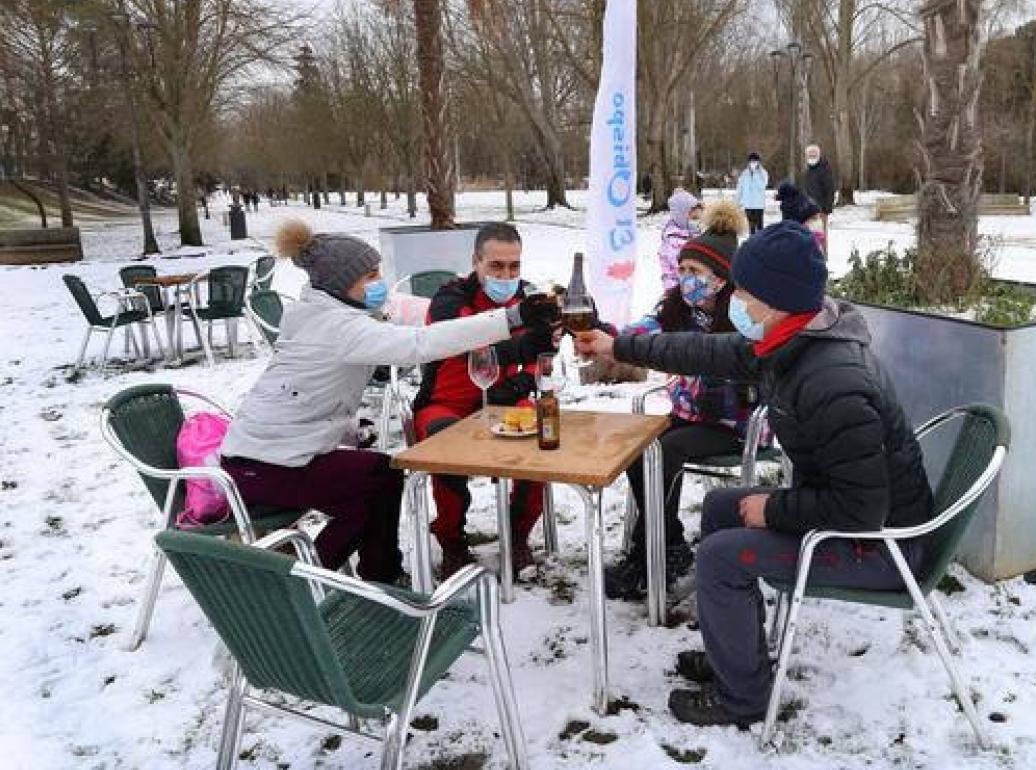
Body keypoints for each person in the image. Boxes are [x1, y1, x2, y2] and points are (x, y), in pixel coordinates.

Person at [575, 221, 934, 727]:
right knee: (721, 508)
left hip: (881, 549)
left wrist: (774, 508)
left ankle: (744, 698)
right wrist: (619, 347)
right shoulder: (794, 340)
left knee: (721, 556)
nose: (735, 301)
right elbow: (703, 351)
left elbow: (861, 510)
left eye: (743, 292)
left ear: (774, 301)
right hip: (857, 524)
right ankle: (736, 656)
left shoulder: (833, 382)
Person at [220, 220, 553, 585]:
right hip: (269, 464)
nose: (381, 282)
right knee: (376, 483)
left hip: (268, 454)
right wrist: (512, 318)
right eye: (371, 276)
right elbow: (419, 344)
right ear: (342, 284)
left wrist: (351, 426)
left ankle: (363, 573)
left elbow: (310, 388)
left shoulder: (321, 315)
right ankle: (305, 579)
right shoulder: (340, 327)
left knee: (377, 479)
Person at [601, 200, 757, 600]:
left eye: (695, 271)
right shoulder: (677, 307)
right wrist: (608, 336)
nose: (686, 278)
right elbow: (641, 331)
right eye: (683, 269)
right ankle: (667, 544)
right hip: (689, 415)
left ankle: (647, 557)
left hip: (733, 424)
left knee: (665, 452)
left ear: (721, 278)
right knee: (639, 451)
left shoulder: (741, 315)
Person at [410, 222, 562, 579]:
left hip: (505, 402)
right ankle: (451, 540)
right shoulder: (450, 299)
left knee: (544, 436)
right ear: (476, 262)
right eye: (496, 266)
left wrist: (526, 377)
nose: (506, 275)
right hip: (445, 403)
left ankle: (518, 535)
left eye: (514, 266)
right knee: (446, 444)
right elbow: (470, 345)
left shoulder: (529, 299)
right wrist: (525, 346)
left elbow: (542, 357)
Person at [657, 188, 703, 291]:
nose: (697, 222)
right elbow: (682, 266)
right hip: (676, 288)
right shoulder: (673, 240)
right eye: (694, 218)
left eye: (698, 219)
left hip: (691, 286)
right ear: (682, 217)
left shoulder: (692, 234)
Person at [799, 144, 838, 240]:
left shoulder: (824, 170)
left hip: (821, 210)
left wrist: (827, 208)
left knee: (820, 237)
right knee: (808, 237)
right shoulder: (807, 172)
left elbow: (830, 190)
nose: (812, 157)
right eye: (810, 155)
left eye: (814, 154)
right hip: (807, 210)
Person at [776, 181, 825, 253]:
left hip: (808, 228)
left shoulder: (789, 204)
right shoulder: (802, 197)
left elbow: (789, 224)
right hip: (816, 224)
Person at [735, 152, 769, 234]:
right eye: (751, 161)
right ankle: (752, 240)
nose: (753, 163)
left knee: (760, 227)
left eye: (755, 161)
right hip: (748, 204)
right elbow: (740, 188)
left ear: (758, 162)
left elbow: (763, 186)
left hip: (758, 205)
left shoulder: (763, 173)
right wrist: (736, 202)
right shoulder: (744, 174)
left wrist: (756, 175)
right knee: (751, 227)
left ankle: (760, 240)